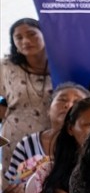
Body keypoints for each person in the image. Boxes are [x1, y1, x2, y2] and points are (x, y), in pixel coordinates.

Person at [3, 83, 90, 193]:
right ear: (49, 109)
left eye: (77, 102)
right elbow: (13, 185)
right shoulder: (27, 144)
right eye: (62, 99)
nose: (68, 105)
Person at [0, 19, 53, 176]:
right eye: (19, 37)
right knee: (14, 191)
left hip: (48, 143)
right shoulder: (6, 67)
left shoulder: (60, 66)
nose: (26, 41)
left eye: (32, 34)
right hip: (14, 140)